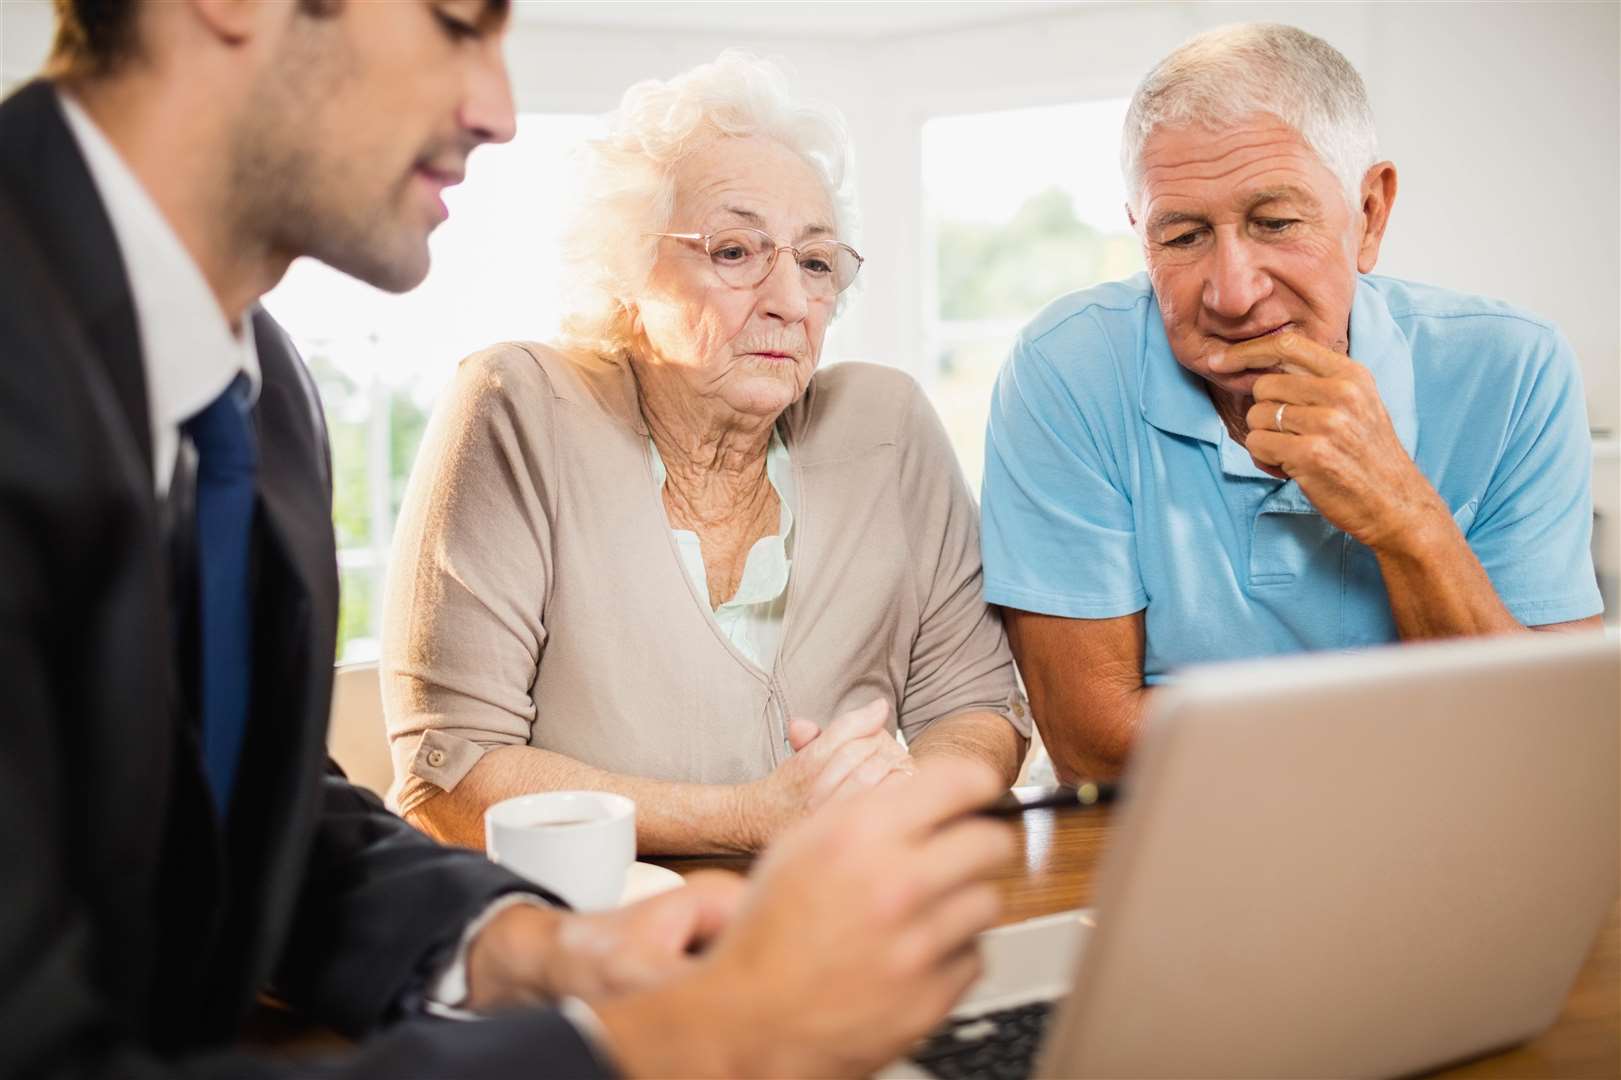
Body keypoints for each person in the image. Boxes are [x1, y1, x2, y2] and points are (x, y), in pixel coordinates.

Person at [0, 2, 1013, 1076]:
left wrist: (528, 944)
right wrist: (670, 1040)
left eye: (816, 265)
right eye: (456, 21)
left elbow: (260, 830)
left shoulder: (261, 397)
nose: (499, 111)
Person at [380, 52, 1030, 855]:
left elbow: (978, 707)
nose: (790, 303)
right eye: (733, 251)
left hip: (842, 912)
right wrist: (747, 821)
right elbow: (449, 779)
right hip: (585, 935)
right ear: (627, 270)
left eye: (817, 263)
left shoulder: (886, 426)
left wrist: (906, 812)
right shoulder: (521, 406)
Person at [979, 23, 1604, 784]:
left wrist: (1403, 515)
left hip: (1450, 822)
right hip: (1171, 836)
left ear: (1368, 214)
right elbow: (1094, 744)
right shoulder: (1065, 369)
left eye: (1275, 222)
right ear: (1139, 233)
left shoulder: (1513, 367)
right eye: (1181, 236)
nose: (1231, 293)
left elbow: (1547, 738)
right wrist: (1420, 729)